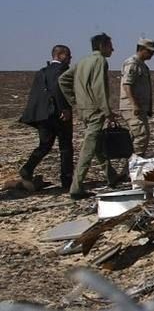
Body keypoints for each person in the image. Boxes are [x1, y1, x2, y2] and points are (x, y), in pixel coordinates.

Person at [58, 33, 120, 200]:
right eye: (110, 46)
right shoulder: (100, 61)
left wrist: (76, 101)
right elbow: (99, 88)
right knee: (89, 149)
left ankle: (111, 176)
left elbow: (63, 80)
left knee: (97, 144)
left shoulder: (82, 61)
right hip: (95, 111)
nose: (113, 49)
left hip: (85, 110)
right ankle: (76, 187)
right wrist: (107, 112)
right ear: (102, 46)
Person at [18, 45, 74, 191]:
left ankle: (27, 168)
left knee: (45, 145)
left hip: (42, 115)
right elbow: (58, 88)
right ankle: (67, 180)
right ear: (60, 55)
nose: (70, 59)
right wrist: (65, 108)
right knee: (65, 147)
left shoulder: (42, 72)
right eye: (68, 55)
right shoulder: (62, 70)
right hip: (57, 114)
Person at [120, 38, 154, 156]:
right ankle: (133, 167)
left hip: (141, 108)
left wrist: (148, 107)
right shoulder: (132, 64)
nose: (152, 54)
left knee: (137, 137)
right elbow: (127, 85)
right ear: (141, 49)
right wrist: (134, 104)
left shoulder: (143, 66)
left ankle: (127, 170)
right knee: (141, 137)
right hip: (132, 108)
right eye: (150, 51)